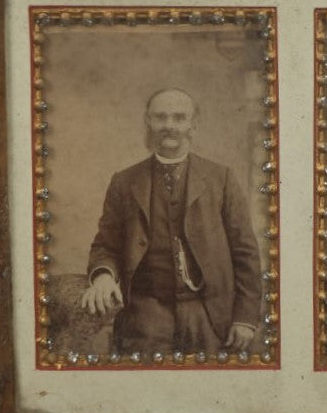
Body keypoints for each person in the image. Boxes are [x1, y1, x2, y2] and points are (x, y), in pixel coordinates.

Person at [80, 87, 261, 354]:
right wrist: (104, 277)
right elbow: (105, 246)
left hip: (209, 314)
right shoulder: (124, 182)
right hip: (146, 315)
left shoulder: (221, 179)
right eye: (161, 117)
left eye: (179, 118)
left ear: (193, 124)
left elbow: (245, 252)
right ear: (148, 122)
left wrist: (245, 318)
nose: (169, 126)